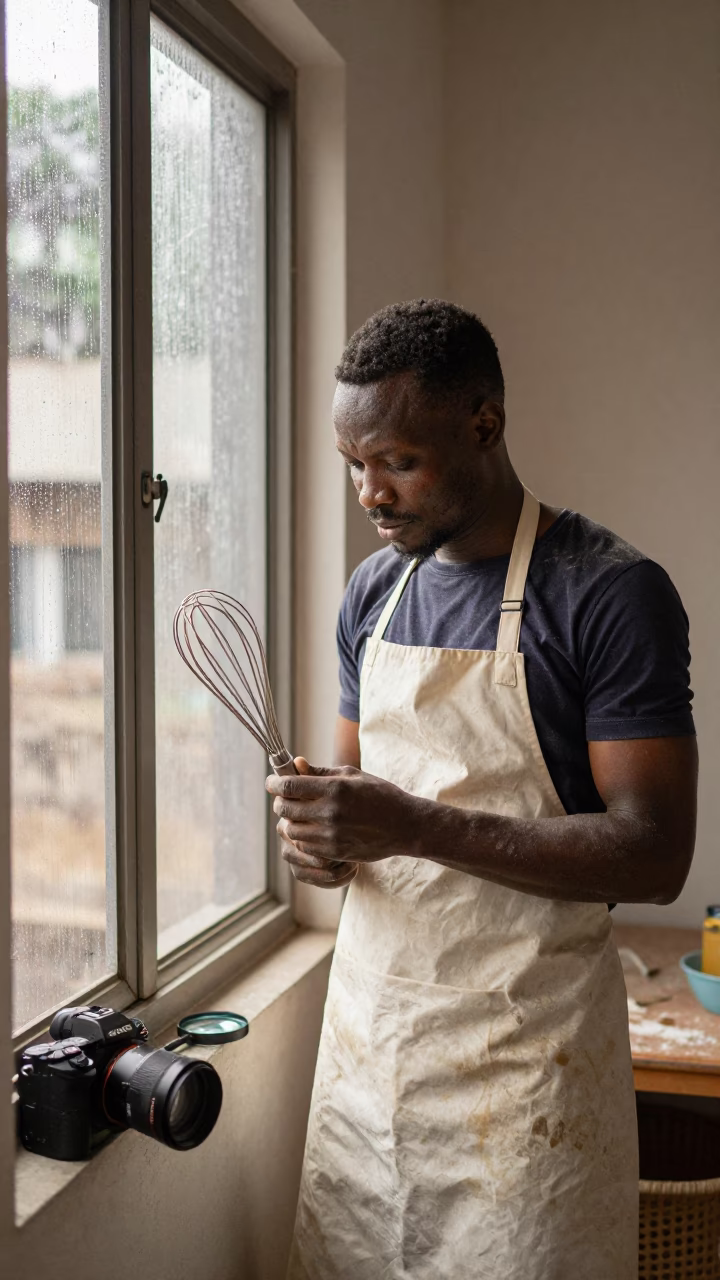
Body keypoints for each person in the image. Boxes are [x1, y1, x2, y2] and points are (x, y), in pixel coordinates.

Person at [268, 300, 697, 1280]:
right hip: (375, 1066)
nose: (369, 491)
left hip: (526, 1075)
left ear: (484, 425)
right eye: (353, 463)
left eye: (397, 461)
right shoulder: (373, 597)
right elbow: (351, 828)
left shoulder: (608, 592)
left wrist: (409, 821)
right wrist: (319, 835)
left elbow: (655, 851)